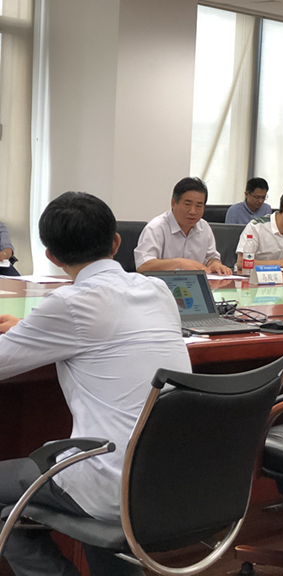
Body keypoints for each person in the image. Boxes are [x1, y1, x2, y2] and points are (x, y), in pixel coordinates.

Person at [0, 192, 191, 576]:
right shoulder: (159, 291)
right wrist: (34, 332)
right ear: (116, 242)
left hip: (109, 483)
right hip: (177, 481)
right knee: (89, 476)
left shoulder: (70, 304)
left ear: (51, 256)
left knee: (64, 483)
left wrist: (35, 332)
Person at [134, 177, 231, 275]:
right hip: (162, 284)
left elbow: (210, 257)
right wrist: (179, 263)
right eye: (187, 204)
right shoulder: (156, 228)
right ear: (173, 203)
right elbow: (143, 266)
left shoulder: (204, 227)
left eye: (198, 206)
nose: (193, 211)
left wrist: (214, 263)